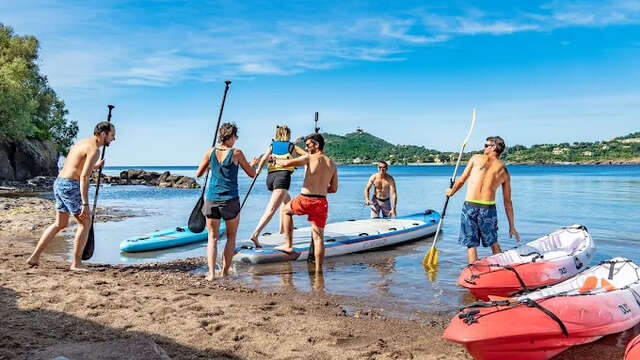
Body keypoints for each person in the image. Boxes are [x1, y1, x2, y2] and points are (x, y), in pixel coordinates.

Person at [27, 122, 116, 271]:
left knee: (60, 224)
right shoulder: (94, 150)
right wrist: (85, 204)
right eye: (112, 135)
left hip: (60, 182)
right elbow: (84, 177)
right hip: (70, 186)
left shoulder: (82, 143)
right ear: (103, 134)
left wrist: (95, 166)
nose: (113, 139)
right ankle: (76, 264)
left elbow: (76, 165)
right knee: (85, 222)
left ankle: (34, 257)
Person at [195, 123, 258, 281]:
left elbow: (198, 173)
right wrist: (254, 164)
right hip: (230, 199)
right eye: (235, 137)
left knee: (212, 237)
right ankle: (224, 271)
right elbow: (251, 174)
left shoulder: (210, 152)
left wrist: (211, 165)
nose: (236, 140)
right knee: (231, 236)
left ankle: (211, 274)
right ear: (230, 137)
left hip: (212, 199)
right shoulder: (236, 153)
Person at [445, 136, 520, 264]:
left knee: (471, 243)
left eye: (486, 145)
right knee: (493, 241)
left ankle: (473, 273)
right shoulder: (504, 171)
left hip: (470, 207)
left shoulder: (475, 158)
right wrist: (511, 226)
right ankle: (502, 267)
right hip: (488, 208)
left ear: (494, 147)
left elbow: (462, 180)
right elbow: (508, 202)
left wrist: (451, 192)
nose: (483, 148)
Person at [273, 133, 338, 272]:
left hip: (306, 199)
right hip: (321, 202)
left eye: (308, 145)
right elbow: (333, 189)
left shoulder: (309, 158)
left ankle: (288, 245)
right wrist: (319, 187)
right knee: (319, 237)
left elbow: (285, 163)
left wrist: (274, 159)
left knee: (286, 210)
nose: (307, 148)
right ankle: (319, 270)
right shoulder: (332, 164)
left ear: (316, 145)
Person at [249, 125, 306, 247]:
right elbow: (307, 156)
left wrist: (258, 170)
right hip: (282, 178)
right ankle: (255, 234)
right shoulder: (292, 146)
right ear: (287, 135)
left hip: (270, 178)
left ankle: (282, 230)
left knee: (287, 202)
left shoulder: (272, 145)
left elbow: (264, 158)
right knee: (271, 209)